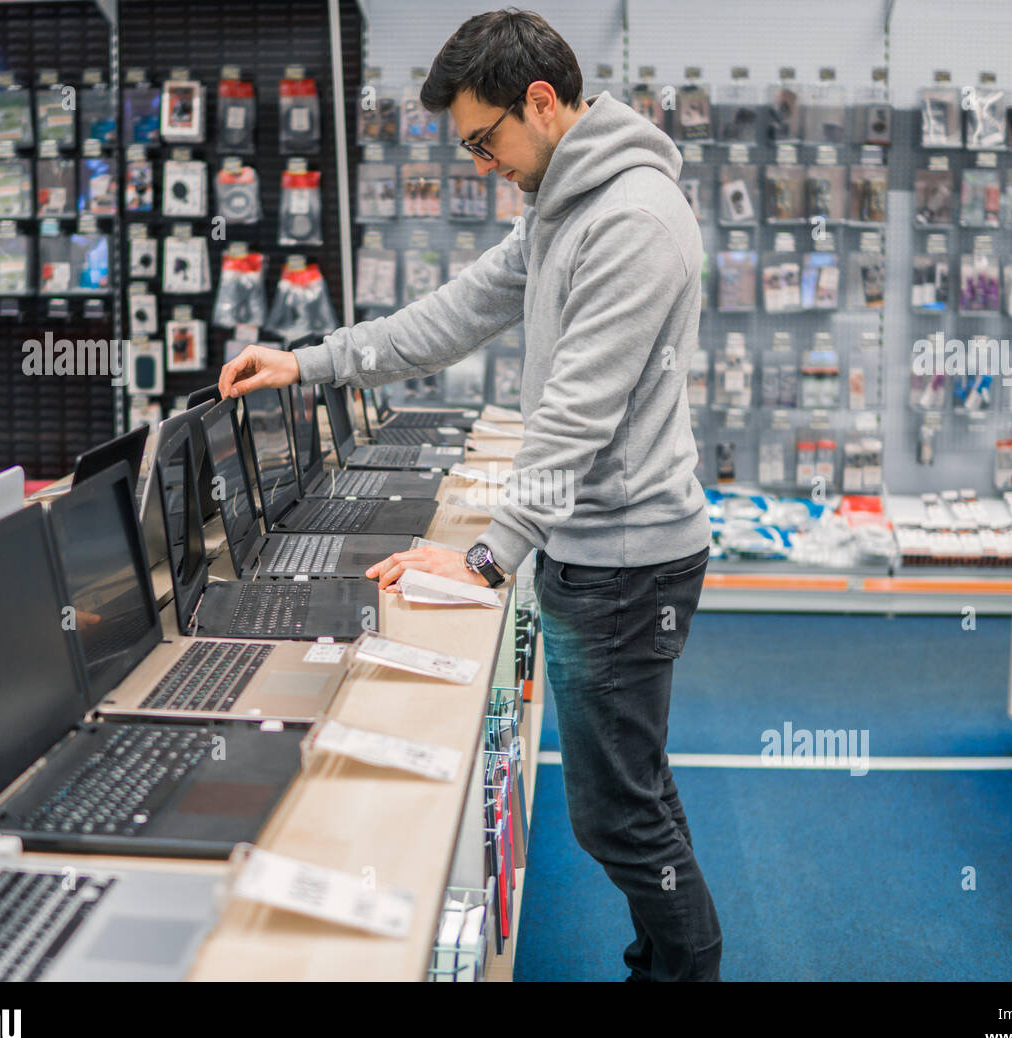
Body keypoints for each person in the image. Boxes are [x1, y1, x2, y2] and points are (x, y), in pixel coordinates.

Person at [218, 8, 722, 982]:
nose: (482, 161)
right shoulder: (562, 204)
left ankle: (685, 969)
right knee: (627, 791)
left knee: (618, 809)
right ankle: (662, 952)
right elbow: (450, 316)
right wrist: (311, 360)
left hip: (628, 561)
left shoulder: (630, 219)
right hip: (595, 549)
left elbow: (579, 412)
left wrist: (489, 554)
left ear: (540, 102)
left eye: (485, 139)